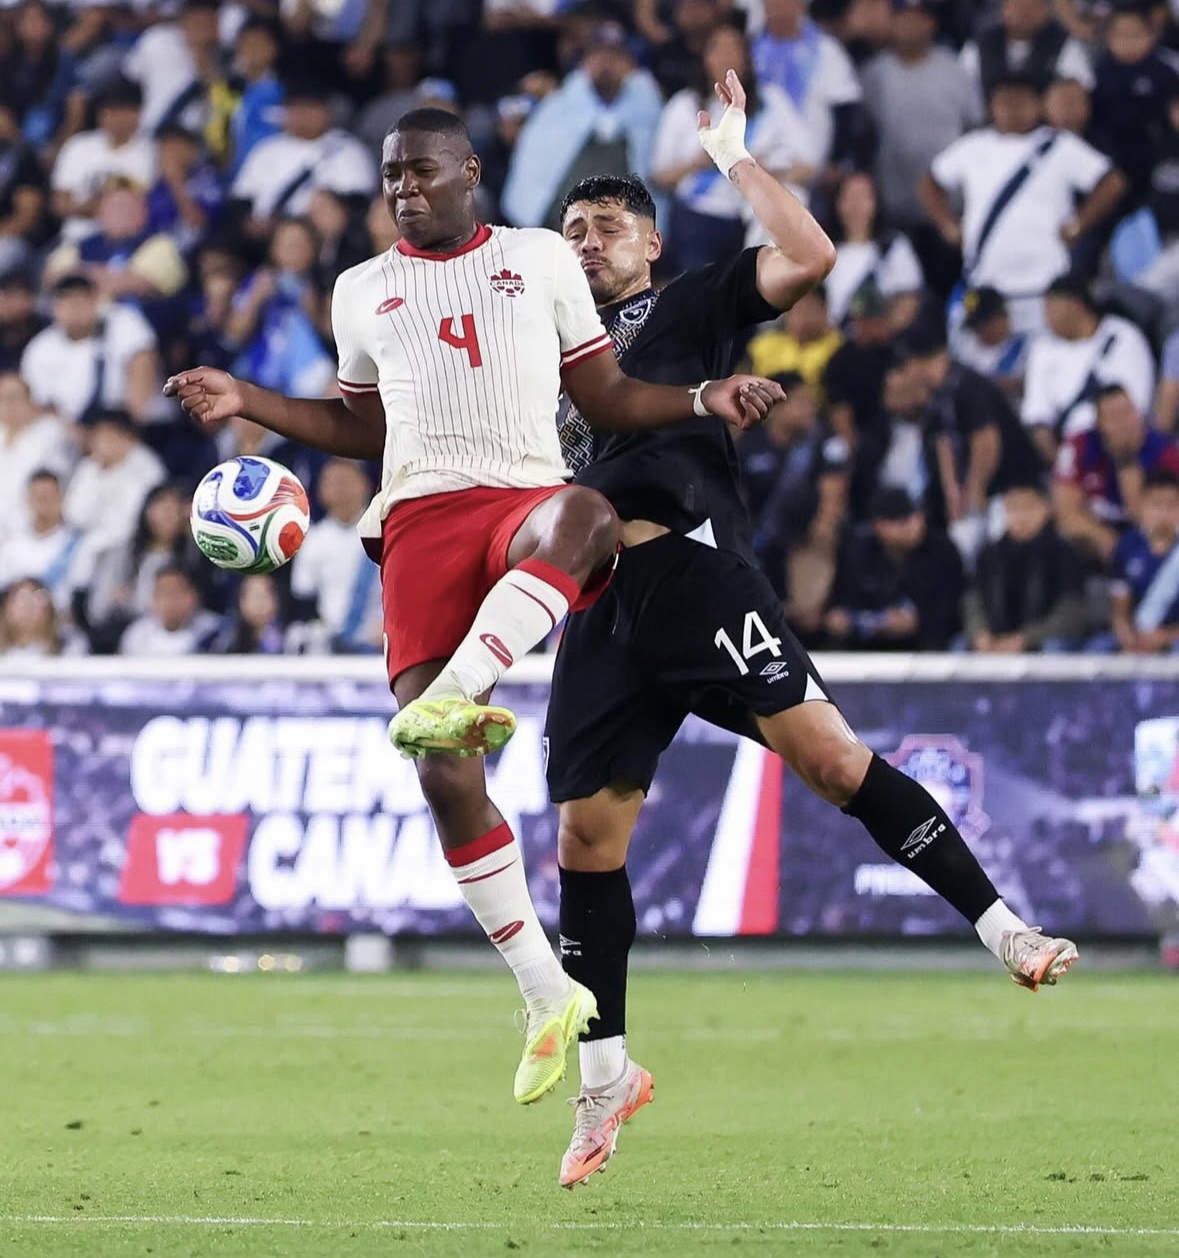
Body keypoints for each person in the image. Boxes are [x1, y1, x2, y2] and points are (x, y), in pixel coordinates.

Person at [165, 106, 781, 1112]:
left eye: (421, 171)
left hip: (520, 498)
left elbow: (613, 398)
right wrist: (248, 400)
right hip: (416, 521)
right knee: (446, 775)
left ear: (470, 173)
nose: (405, 187)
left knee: (583, 512)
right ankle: (549, 999)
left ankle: (458, 686)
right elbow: (359, 422)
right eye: (392, 175)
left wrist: (702, 398)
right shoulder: (360, 288)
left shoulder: (540, 260)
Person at [546, 73, 1077, 1192]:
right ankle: (606, 1081)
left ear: (649, 243)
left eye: (605, 228)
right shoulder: (547, 351)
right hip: (596, 604)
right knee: (585, 844)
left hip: (693, 574)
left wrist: (734, 156)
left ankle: (1006, 930)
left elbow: (813, 254)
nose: (586, 244)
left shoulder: (684, 305)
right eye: (572, 232)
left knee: (833, 762)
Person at [919, 71, 1125, 334]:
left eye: (1021, 101)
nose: (1012, 109)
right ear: (991, 106)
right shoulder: (972, 147)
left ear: (1038, 105)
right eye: (1004, 102)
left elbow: (1111, 182)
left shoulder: (1059, 146)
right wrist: (947, 224)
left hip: (1045, 287)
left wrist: (1079, 224)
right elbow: (930, 183)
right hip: (986, 286)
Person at [1021, 273, 1155, 464]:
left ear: (1076, 305)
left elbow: (1136, 405)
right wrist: (1062, 466)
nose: (1046, 317)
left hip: (1122, 450)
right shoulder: (1042, 348)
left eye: (1052, 307)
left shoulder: (1122, 338)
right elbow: (1037, 418)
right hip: (1067, 455)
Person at [1053, 384, 1179, 564]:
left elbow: (1144, 517)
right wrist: (1105, 539)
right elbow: (1066, 513)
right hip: (1097, 533)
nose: (1124, 423)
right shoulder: (1079, 446)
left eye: (1128, 413)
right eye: (1114, 417)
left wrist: (1126, 461)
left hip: (1145, 537)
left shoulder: (1165, 451)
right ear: (1099, 422)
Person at [963, 481, 1088, 652]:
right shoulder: (989, 554)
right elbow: (973, 601)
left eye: (1028, 507)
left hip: (1041, 641)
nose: (1020, 516)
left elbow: (1071, 612)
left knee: (1056, 647)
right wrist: (980, 634)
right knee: (960, 646)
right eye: (1013, 508)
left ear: (1046, 508)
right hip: (994, 642)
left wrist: (1026, 638)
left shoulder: (1064, 554)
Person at [1108, 470, 1179, 654]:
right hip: (1138, 636)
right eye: (1156, 505)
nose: (1164, 513)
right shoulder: (1127, 546)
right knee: (1098, 648)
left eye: (1172, 505)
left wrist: (1165, 636)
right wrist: (1128, 637)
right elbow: (1120, 608)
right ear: (1142, 506)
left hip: (1173, 638)